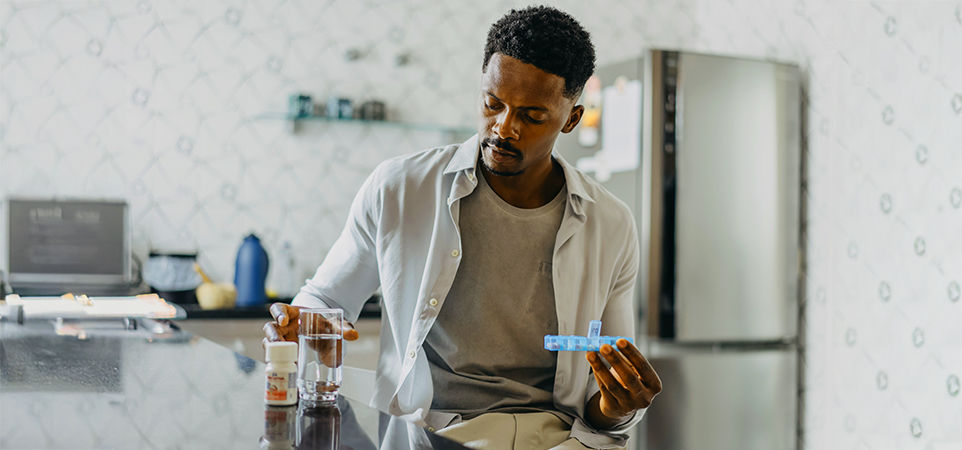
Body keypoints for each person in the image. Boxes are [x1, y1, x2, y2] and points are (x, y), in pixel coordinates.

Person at [263, 6, 661, 449]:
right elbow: (324, 300)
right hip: (435, 434)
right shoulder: (399, 188)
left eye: (531, 116)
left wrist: (617, 405)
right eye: (493, 104)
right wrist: (300, 321)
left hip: (558, 439)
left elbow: (601, 400)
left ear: (570, 119)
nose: (504, 127)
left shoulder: (611, 224)